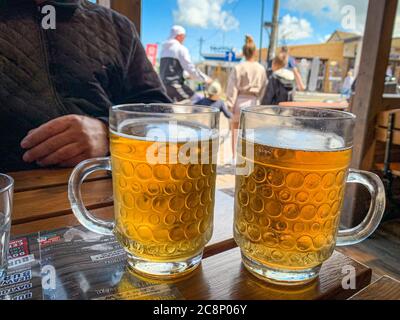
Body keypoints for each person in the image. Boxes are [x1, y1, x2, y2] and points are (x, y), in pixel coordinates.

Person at [0, 0, 171, 173]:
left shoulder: (118, 27)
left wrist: (108, 134)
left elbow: (158, 111)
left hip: (111, 186)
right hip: (12, 192)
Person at [226, 35, 267, 156]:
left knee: (235, 132)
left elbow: (232, 88)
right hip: (254, 103)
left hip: (239, 101)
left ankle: (235, 158)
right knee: (251, 134)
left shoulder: (238, 67)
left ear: (243, 53)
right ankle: (247, 158)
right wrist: (258, 100)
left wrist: (230, 105)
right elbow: (264, 88)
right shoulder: (261, 68)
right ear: (255, 52)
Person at [160, 25, 211, 103]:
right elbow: (190, 68)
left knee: (171, 108)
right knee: (198, 100)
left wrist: (186, 76)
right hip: (175, 86)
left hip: (164, 87)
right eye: (184, 36)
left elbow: (171, 69)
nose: (184, 39)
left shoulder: (163, 50)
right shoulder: (180, 48)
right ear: (179, 36)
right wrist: (205, 79)